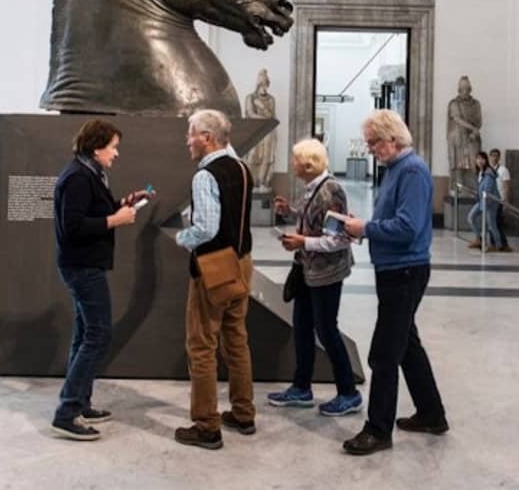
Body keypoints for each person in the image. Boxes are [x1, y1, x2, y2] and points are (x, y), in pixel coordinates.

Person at [342, 109, 448, 456]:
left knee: (385, 353)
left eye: (374, 142)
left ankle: (378, 430)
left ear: (392, 138)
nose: (370, 148)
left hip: (405, 271)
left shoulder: (412, 171)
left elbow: (407, 227)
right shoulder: (395, 170)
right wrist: (363, 227)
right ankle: (432, 414)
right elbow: (393, 219)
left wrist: (366, 228)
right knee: (407, 346)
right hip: (394, 270)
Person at [51, 119, 151, 440]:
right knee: (98, 335)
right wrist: (115, 219)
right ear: (97, 147)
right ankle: (67, 412)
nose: (116, 153)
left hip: (85, 265)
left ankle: (79, 403)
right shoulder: (78, 177)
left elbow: (91, 212)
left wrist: (122, 204)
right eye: (113, 147)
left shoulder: (89, 172)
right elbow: (73, 227)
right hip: (82, 266)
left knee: (86, 333)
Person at [174, 109, 255, 450]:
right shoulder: (242, 168)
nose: (187, 141)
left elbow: (206, 228)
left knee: (202, 345)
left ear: (207, 138)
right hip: (242, 262)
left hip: (214, 268)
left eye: (191, 134)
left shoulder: (205, 176)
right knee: (236, 339)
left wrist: (182, 237)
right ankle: (244, 413)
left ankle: (207, 426)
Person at [268, 138, 362, 415]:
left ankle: (348, 392)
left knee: (327, 330)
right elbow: (315, 219)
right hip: (309, 270)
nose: (292, 164)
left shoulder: (331, 191)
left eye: (296, 159)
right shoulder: (313, 188)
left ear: (309, 164)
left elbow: (340, 238)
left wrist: (303, 243)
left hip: (326, 272)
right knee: (302, 327)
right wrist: (291, 212)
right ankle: (301, 387)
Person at [446, 75, 482, 194]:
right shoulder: (454, 103)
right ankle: (457, 190)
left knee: (473, 163)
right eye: (462, 88)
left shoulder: (476, 104)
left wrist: (474, 131)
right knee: (458, 165)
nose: (465, 91)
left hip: (472, 138)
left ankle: (473, 190)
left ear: (470, 89)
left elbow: (479, 121)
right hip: (458, 138)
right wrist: (473, 128)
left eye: (467, 88)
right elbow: (457, 118)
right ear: (459, 89)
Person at [244, 68, 277, 190]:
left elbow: (271, 116)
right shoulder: (250, 98)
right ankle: (251, 183)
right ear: (257, 84)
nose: (264, 86)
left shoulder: (271, 99)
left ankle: (262, 182)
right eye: (261, 84)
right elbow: (250, 114)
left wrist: (262, 106)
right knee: (253, 156)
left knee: (266, 157)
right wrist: (264, 119)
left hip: (268, 132)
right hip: (255, 131)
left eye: (265, 84)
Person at [466, 151, 503, 251]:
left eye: (482, 159)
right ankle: (479, 239)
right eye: (478, 159)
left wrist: (484, 205)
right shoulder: (480, 172)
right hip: (482, 201)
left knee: (491, 225)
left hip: (491, 202)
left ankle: (498, 245)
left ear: (486, 160)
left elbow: (488, 190)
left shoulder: (489, 173)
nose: (480, 161)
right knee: (471, 217)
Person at [489, 148, 512, 251]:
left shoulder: (503, 170)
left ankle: (503, 244)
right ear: (489, 157)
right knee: (491, 223)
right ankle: (494, 243)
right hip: (490, 200)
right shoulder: (488, 170)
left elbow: (506, 186)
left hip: (499, 200)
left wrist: (506, 202)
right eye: (492, 155)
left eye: (496, 156)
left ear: (499, 157)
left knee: (497, 224)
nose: (494, 158)